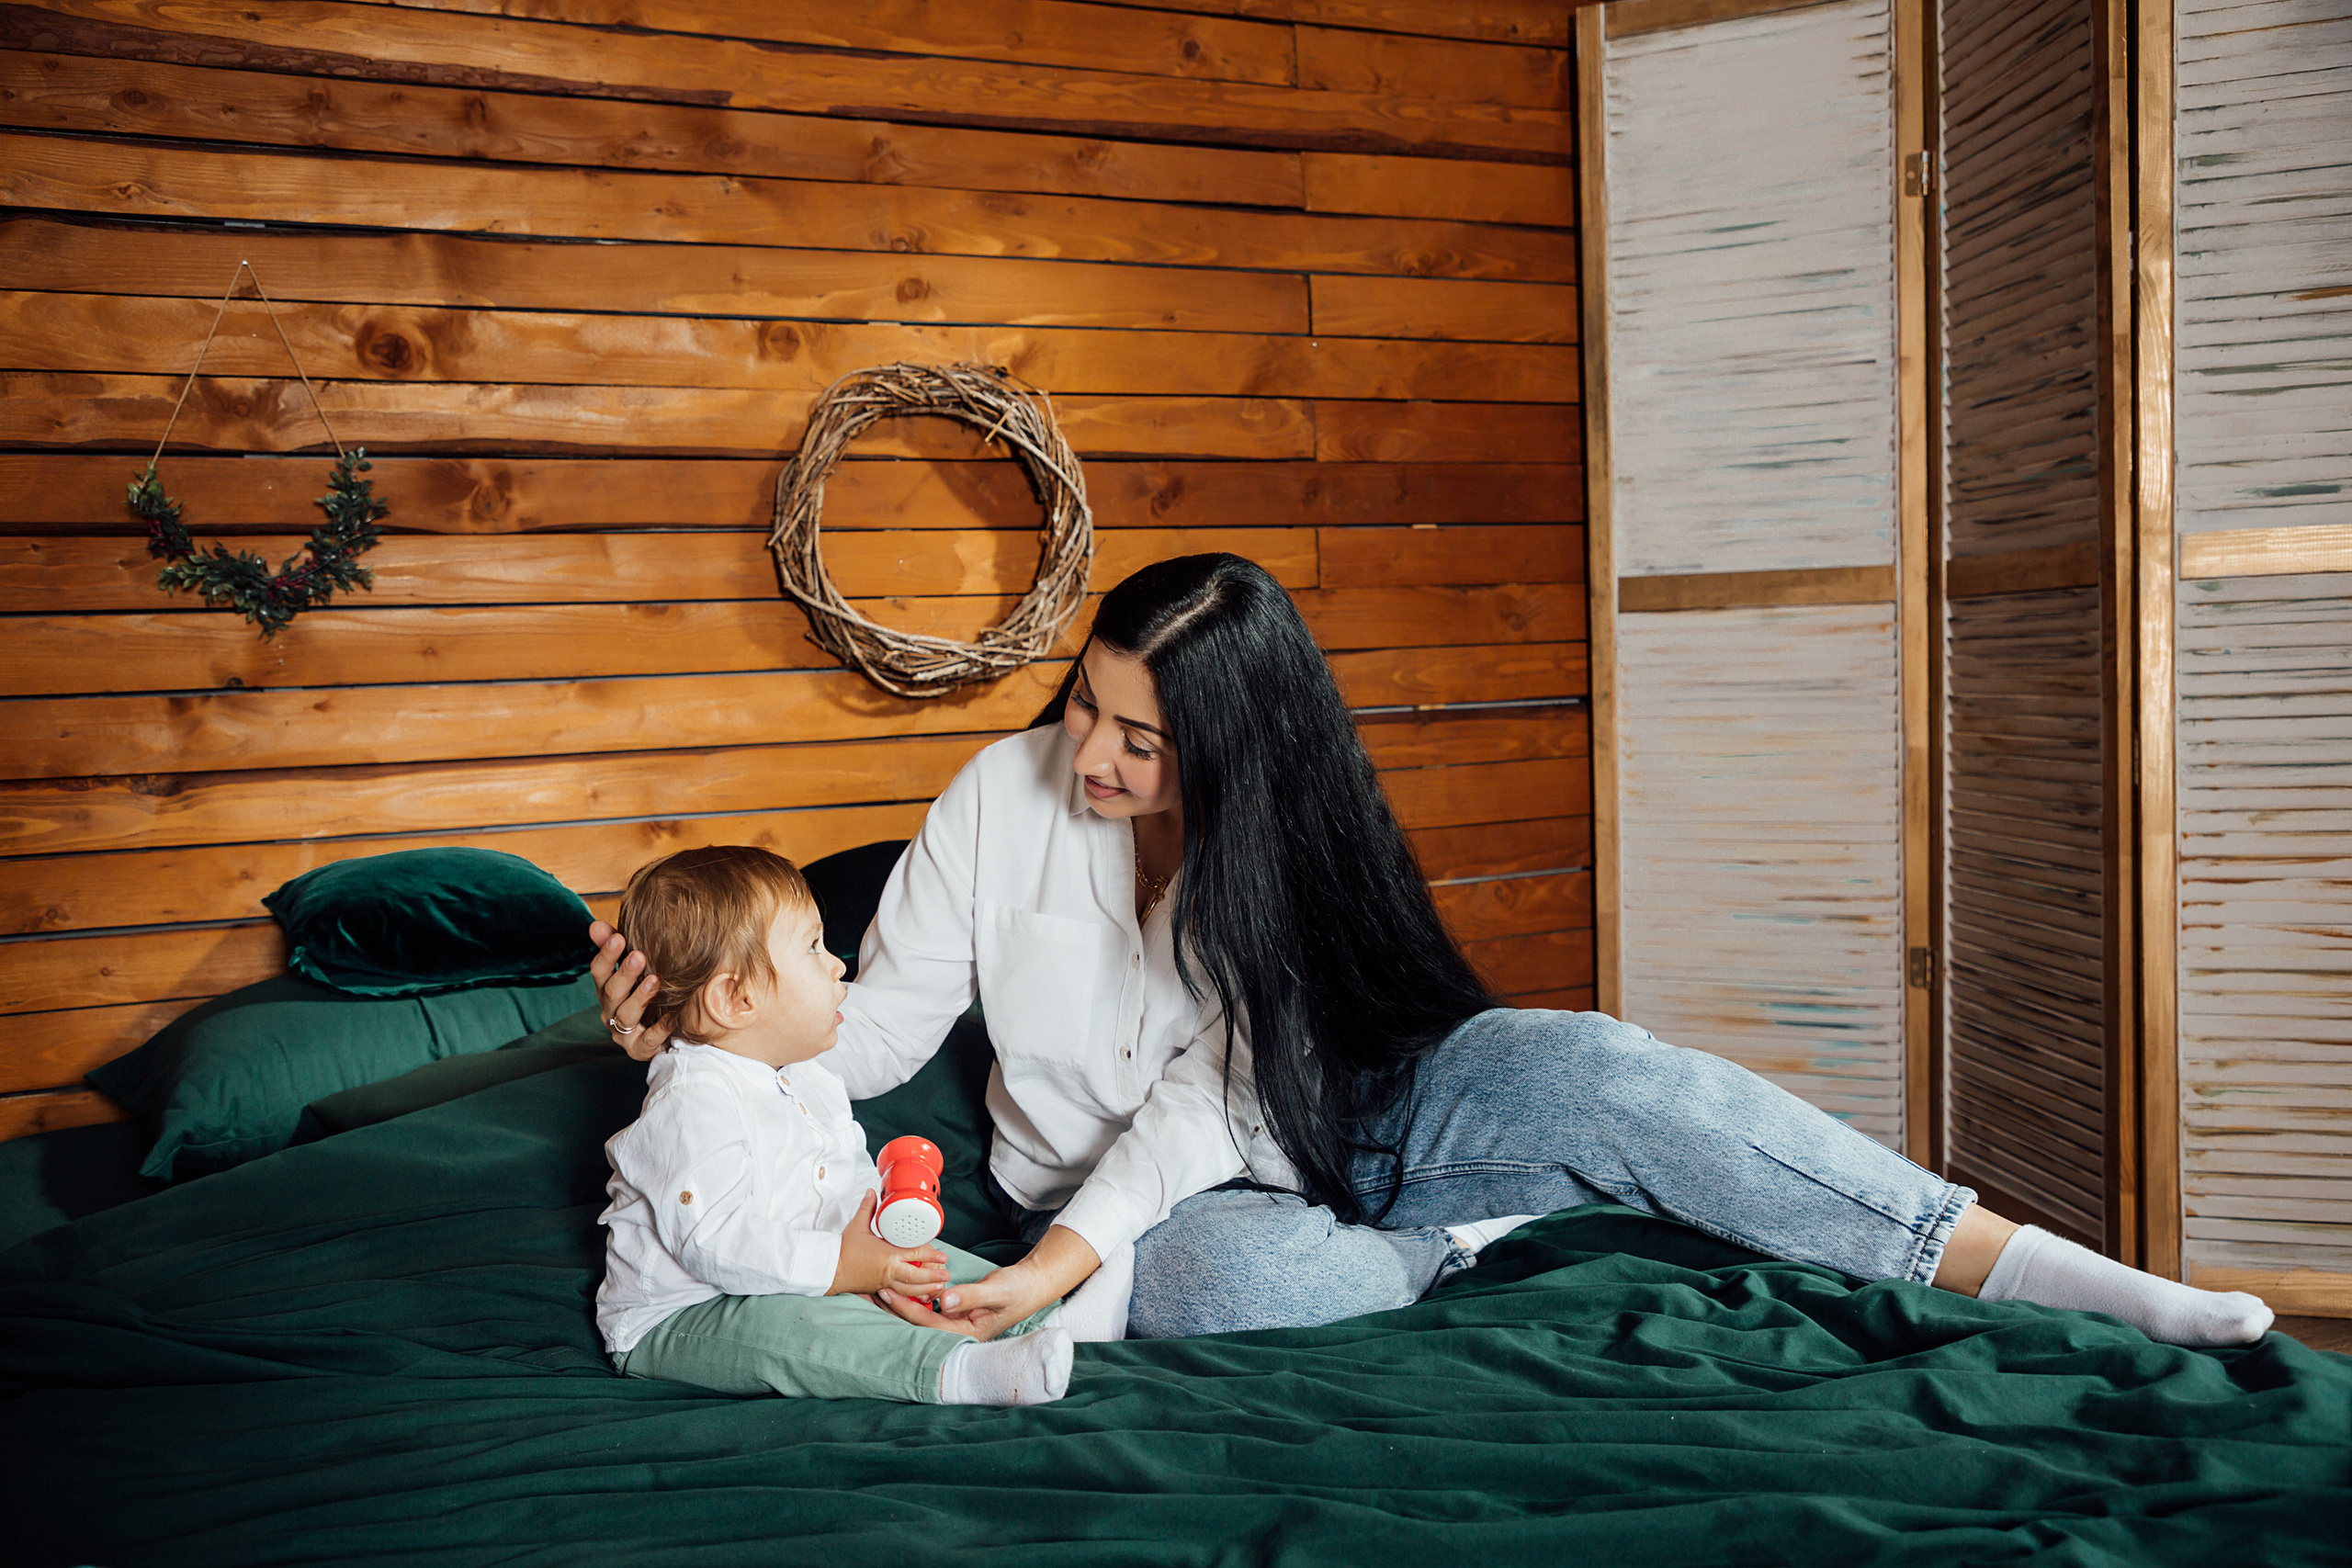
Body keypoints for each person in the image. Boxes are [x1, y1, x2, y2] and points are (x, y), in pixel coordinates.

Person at [591, 555, 2273, 1352]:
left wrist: (1054, 1271)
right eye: (1086, 707)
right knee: (1215, 1289)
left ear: (1233, 750)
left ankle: (2072, 1278)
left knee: (1612, 1072)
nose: (1089, 758)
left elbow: (1223, 1087)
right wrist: (698, 1035)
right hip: (1157, 1199)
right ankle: (1449, 1240)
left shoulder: (1281, 847)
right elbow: (879, 1031)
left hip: (1364, 1103)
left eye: (1140, 741)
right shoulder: (996, 795)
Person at [594, 844, 1089, 1407]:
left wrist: (882, 1245)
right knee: (800, 1332)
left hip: (812, 1265)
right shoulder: (692, 1103)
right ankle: (961, 1373)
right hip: (687, 1313)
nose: (837, 966)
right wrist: (843, 1268)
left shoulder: (807, 1071)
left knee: (933, 1266)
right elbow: (715, 1244)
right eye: (813, 948)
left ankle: (1057, 1319)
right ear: (735, 998)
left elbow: (847, 1175)